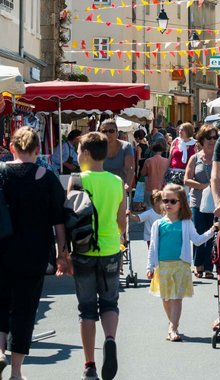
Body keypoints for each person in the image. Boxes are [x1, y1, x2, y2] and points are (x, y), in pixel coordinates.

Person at [0, 126, 66, 380]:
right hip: (34, 253)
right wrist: (63, 252)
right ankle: (16, 372)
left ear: (11, 149)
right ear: (38, 150)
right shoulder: (47, 177)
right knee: (25, 309)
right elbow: (59, 221)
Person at [64, 131, 125, 380]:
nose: (77, 155)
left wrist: (65, 253)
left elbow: (68, 218)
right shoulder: (116, 181)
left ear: (86, 153)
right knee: (110, 303)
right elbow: (121, 222)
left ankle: (89, 364)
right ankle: (109, 338)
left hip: (83, 249)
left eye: (79, 151)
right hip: (110, 247)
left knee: (86, 309)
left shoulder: (77, 180)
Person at [146, 183, 217, 342]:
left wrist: (212, 230)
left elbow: (198, 240)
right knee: (166, 298)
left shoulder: (186, 223)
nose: (168, 204)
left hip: (180, 265)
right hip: (163, 266)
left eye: (172, 201)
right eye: (165, 201)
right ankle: (172, 323)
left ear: (181, 203)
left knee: (177, 298)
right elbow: (153, 247)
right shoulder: (158, 224)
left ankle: (173, 327)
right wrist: (150, 266)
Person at [184, 124, 217, 278]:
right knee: (198, 232)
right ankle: (198, 264)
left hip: (215, 202)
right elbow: (187, 179)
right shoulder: (195, 158)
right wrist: (203, 186)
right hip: (197, 201)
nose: (212, 140)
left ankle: (209, 266)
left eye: (215, 137)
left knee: (212, 233)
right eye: (209, 137)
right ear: (202, 139)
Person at [100, 119, 135, 190]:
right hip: (102, 188)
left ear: (117, 133)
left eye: (111, 131)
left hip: (120, 189)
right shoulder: (97, 147)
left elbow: (130, 168)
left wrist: (127, 184)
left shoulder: (126, 146)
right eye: (104, 131)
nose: (107, 134)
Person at [140, 141, 169, 206]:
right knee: (162, 207)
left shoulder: (148, 161)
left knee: (149, 207)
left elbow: (143, 173)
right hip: (163, 187)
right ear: (162, 151)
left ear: (153, 150)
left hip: (150, 186)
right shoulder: (166, 161)